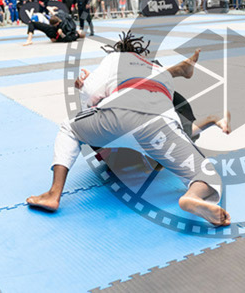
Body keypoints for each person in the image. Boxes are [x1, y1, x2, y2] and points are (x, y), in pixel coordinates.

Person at [26, 33, 231, 227]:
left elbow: (91, 98)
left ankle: (53, 194)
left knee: (69, 128)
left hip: (118, 119)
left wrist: (85, 86)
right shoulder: (159, 70)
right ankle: (193, 196)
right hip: (160, 125)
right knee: (207, 174)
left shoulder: (115, 59)